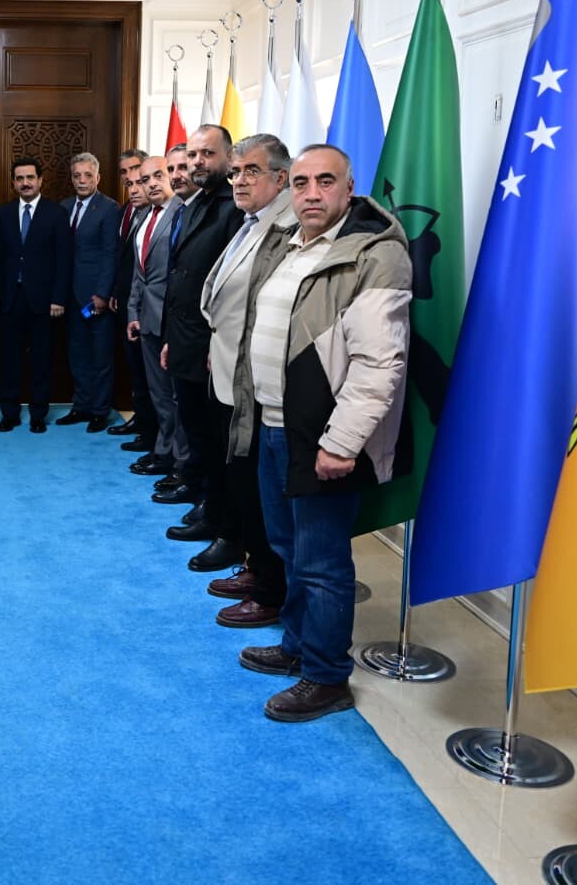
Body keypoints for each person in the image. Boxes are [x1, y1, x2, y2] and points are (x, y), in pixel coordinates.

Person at [231, 144, 411, 722]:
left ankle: (327, 676)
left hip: (322, 435)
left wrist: (341, 442)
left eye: (325, 181)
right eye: (302, 182)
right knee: (287, 548)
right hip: (274, 424)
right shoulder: (291, 242)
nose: (311, 193)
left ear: (349, 187)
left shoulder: (376, 254)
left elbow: (379, 364)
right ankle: (297, 645)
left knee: (322, 562)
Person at [198, 134, 293, 629]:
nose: (238, 180)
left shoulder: (288, 228)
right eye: (235, 172)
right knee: (242, 482)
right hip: (228, 371)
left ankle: (271, 590)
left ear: (281, 177)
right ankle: (257, 568)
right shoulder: (251, 221)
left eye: (250, 171)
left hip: (258, 381)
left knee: (261, 493)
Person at [158, 125, 242, 575]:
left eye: (207, 154)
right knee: (198, 434)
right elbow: (182, 277)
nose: (197, 162)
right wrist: (172, 339)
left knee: (216, 440)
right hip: (187, 341)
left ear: (228, 156)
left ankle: (224, 525)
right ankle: (209, 507)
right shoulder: (198, 203)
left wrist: (214, 343)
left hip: (214, 348)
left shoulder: (233, 208)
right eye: (192, 154)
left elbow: (232, 287)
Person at [0, 156, 72, 432]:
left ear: (40, 180)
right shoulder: (2, 214)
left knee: (41, 359)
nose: (25, 183)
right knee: (9, 359)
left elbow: (64, 259)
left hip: (44, 300)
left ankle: (38, 414)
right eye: (20, 178)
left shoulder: (56, 213)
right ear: (13, 183)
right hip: (10, 298)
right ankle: (10, 414)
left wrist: (58, 298)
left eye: (30, 177)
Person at [125, 156, 186, 500]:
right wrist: (132, 312)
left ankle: (181, 463)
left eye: (157, 176)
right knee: (159, 393)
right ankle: (163, 452)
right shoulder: (143, 218)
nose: (150, 184)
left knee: (177, 396)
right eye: (143, 179)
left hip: (173, 320)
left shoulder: (183, 213)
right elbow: (139, 274)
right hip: (147, 318)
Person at [60, 152, 120, 431]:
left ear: (98, 177)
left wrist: (103, 294)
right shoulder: (64, 207)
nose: (82, 180)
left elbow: (110, 254)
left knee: (101, 355)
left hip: (96, 297)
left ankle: (100, 410)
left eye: (87, 175)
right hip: (71, 296)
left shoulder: (109, 208)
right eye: (77, 175)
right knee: (78, 353)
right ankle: (81, 406)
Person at [109, 150, 158, 451]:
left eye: (137, 171)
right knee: (135, 368)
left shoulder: (159, 213)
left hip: (150, 307)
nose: (131, 179)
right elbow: (123, 259)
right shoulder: (125, 210)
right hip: (127, 301)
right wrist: (117, 291)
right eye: (125, 174)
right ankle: (141, 420)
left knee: (152, 373)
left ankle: (152, 432)